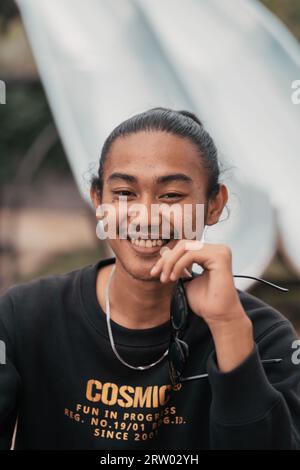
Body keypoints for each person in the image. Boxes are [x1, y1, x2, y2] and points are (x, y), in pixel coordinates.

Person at [0, 107, 300, 450]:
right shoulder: (24, 316)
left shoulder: (264, 338)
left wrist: (228, 328)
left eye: (171, 195)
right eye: (125, 193)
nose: (145, 216)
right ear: (98, 199)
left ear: (215, 204)